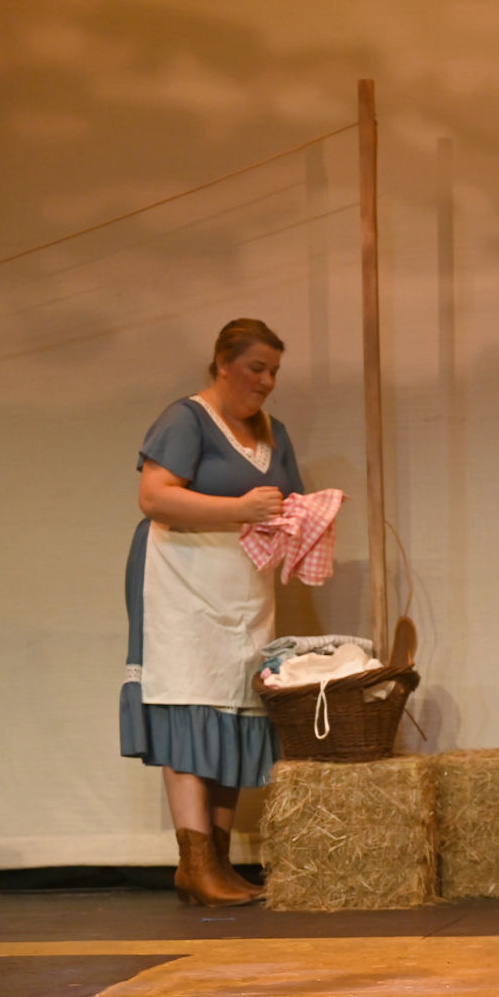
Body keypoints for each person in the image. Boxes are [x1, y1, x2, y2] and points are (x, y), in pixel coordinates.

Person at [121, 319, 304, 907]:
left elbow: (286, 502)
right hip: (181, 582)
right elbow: (155, 497)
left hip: (241, 591)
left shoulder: (274, 432)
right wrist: (239, 508)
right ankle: (194, 864)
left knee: (233, 707)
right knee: (187, 700)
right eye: (256, 368)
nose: (266, 381)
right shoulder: (187, 419)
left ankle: (218, 865)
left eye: (274, 371)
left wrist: (307, 516)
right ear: (223, 363)